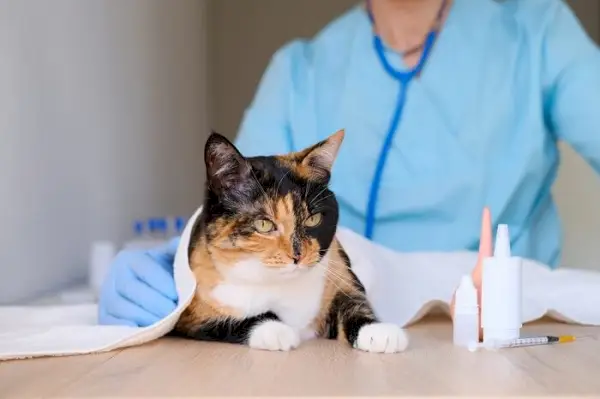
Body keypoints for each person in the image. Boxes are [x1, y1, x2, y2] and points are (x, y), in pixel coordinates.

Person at [98, 0, 600, 327]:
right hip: (336, 326)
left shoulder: (536, 33)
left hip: (500, 323)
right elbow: (238, 203)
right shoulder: (302, 68)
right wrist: (174, 257)